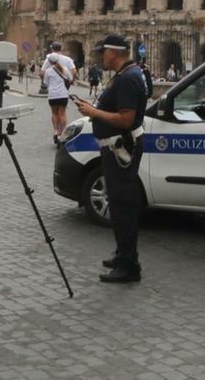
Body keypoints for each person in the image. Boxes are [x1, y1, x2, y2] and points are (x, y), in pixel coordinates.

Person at [73, 35, 146, 283]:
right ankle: (123, 254)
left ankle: (129, 265)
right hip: (117, 147)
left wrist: (93, 112)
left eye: (103, 52)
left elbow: (126, 119)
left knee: (123, 205)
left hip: (121, 149)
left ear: (114, 53)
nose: (100, 57)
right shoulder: (127, 74)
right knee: (117, 203)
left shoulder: (128, 78)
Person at [41, 42, 77, 143]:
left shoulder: (48, 70)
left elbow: (44, 79)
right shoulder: (65, 66)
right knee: (62, 113)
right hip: (63, 94)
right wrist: (70, 82)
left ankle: (56, 132)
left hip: (52, 95)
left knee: (54, 113)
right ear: (61, 48)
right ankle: (63, 133)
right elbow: (73, 74)